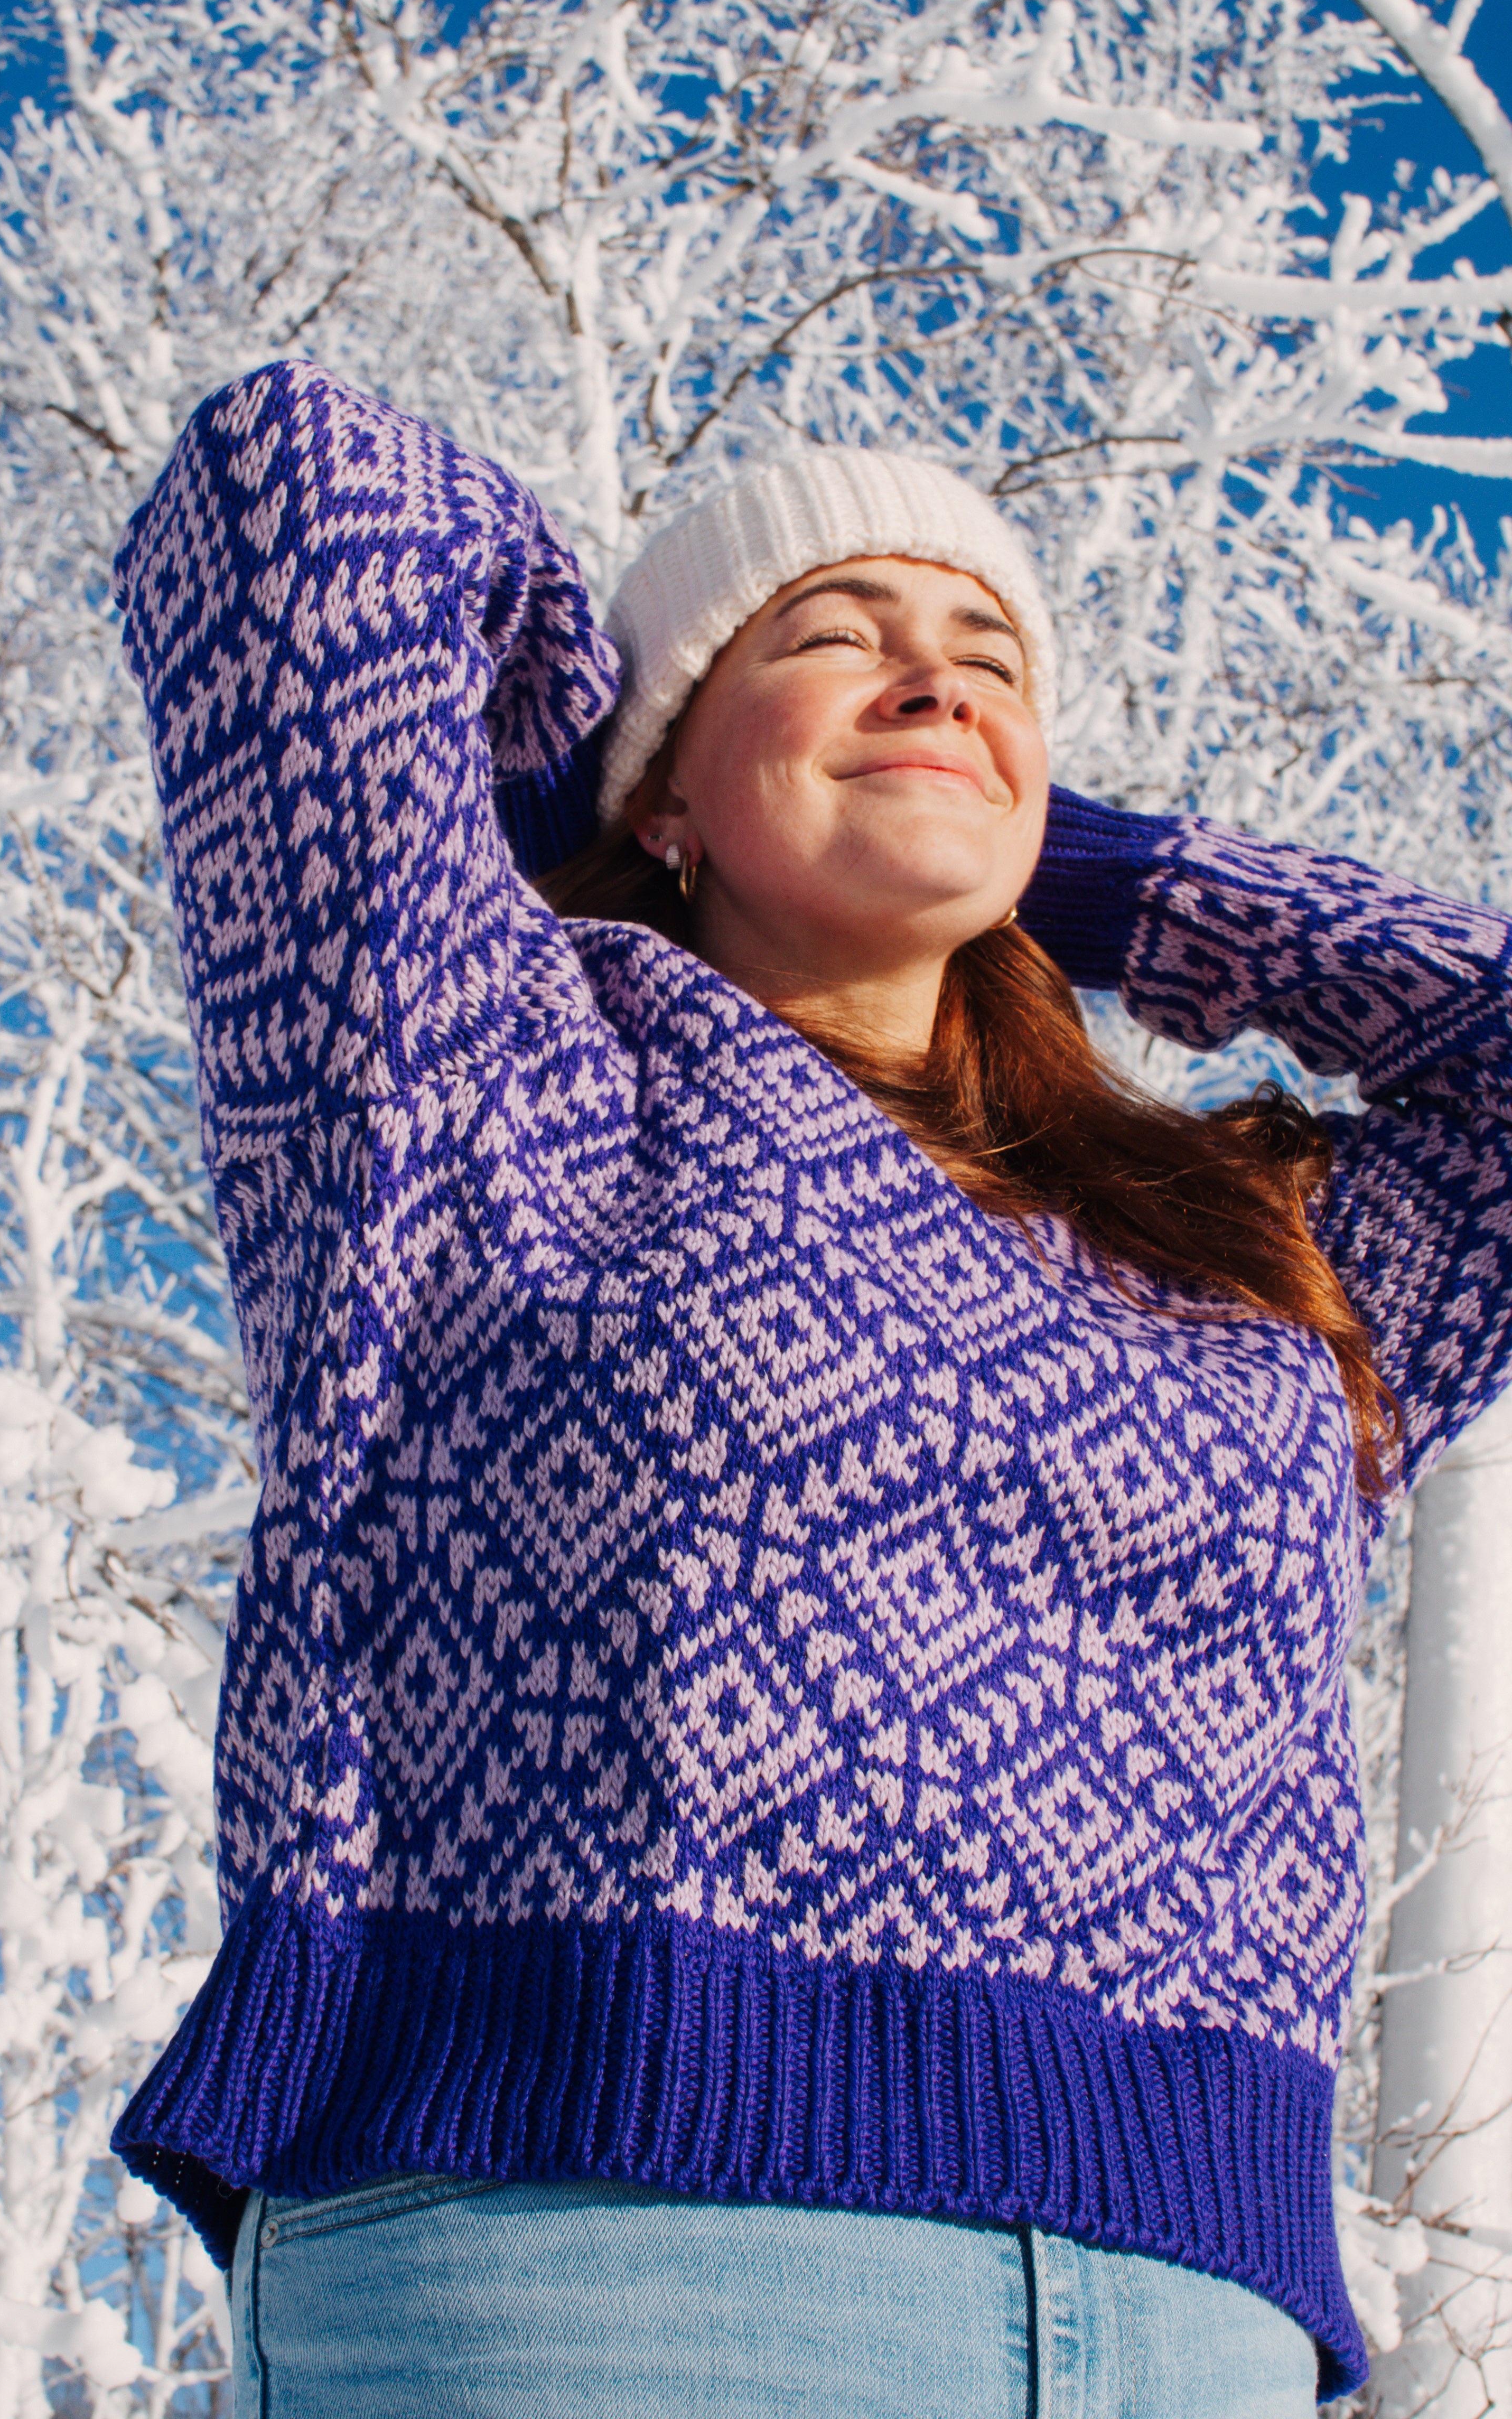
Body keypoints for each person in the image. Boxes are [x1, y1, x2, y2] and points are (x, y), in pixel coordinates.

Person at [109, 361, 1511, 2417]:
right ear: (661, 786)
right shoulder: (482, 1082)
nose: (936, 682)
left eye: (991, 662)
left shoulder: (1241, 1254)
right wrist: (579, 778)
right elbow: (290, 488)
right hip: (614, 2254)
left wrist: (1067, 860)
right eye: (839, 638)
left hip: (1189, 2305)